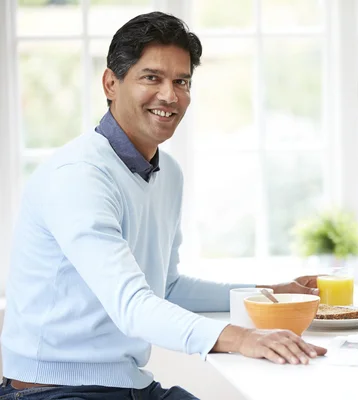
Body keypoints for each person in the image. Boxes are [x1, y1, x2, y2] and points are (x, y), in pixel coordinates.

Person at [0, 11, 326, 400]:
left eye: (181, 81)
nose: (170, 96)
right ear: (110, 83)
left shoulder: (167, 172)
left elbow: (165, 288)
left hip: (128, 385)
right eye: (152, 78)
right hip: (52, 392)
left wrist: (267, 292)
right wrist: (241, 338)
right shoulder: (78, 176)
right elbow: (133, 306)